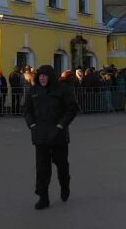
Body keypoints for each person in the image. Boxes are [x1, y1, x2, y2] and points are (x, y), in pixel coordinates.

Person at [24, 65, 78, 210]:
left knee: (62, 166)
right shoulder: (33, 91)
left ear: (50, 77)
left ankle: (64, 186)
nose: (42, 78)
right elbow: (27, 110)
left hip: (58, 135)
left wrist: (61, 126)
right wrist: (32, 125)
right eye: (40, 75)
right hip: (40, 136)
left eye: (45, 75)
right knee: (42, 168)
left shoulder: (62, 90)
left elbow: (72, 109)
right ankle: (43, 197)